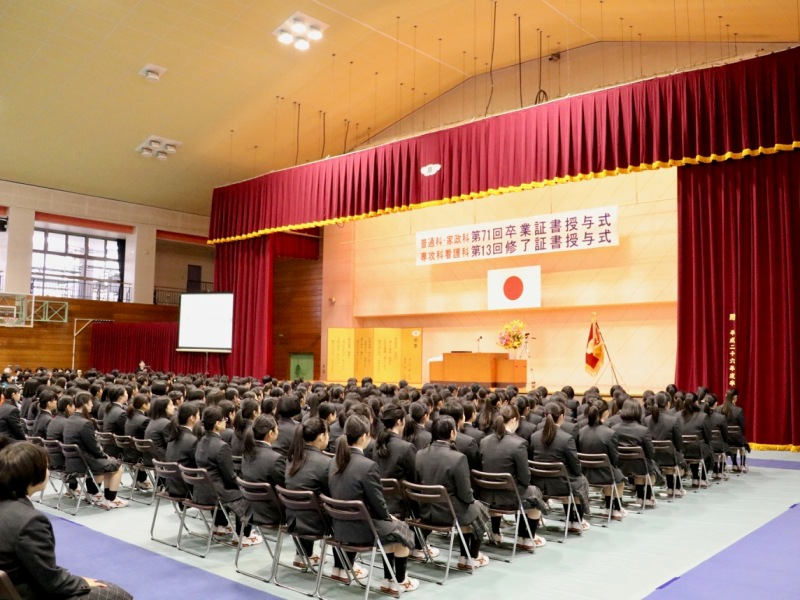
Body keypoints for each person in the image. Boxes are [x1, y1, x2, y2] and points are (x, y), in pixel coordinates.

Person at [0, 440, 133, 600]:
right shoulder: (30, 521)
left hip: (10, 586)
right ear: (34, 473)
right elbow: (54, 583)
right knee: (117, 595)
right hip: (25, 592)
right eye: (47, 467)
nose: (49, 472)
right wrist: (81, 582)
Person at [329, 414, 418, 594]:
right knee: (401, 529)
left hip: (337, 527)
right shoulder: (367, 466)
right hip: (362, 530)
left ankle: (389, 580)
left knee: (390, 527)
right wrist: (389, 517)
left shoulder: (333, 461)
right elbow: (378, 503)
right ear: (364, 436)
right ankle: (399, 580)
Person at [415, 416, 491, 570]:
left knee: (471, 508)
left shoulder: (420, 454)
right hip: (449, 514)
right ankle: (471, 557)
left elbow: (417, 484)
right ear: (452, 433)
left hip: (425, 511)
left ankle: (467, 556)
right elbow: (466, 496)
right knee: (479, 508)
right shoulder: (458, 458)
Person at [482, 405, 548, 548]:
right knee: (534, 493)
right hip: (510, 498)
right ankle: (526, 537)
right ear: (513, 420)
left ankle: (495, 533)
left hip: (487, 497)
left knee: (518, 491)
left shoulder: (484, 441)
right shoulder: (519, 444)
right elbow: (525, 479)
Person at [195, 406, 262, 546]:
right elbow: (230, 477)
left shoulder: (201, 441)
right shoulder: (222, 446)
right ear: (217, 423)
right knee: (248, 494)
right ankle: (243, 536)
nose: (226, 422)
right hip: (217, 494)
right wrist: (242, 486)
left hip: (201, 491)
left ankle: (219, 525)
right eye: (223, 419)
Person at [530, 402, 590, 534]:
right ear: (562, 416)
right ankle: (575, 521)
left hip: (539, 484)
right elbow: (575, 465)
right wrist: (577, 474)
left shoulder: (534, 437)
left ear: (545, 415)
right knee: (581, 481)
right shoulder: (566, 438)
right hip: (562, 485)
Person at [62, 393, 128, 509]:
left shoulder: (69, 420)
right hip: (84, 462)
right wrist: (104, 455)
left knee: (106, 463)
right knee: (117, 465)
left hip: (72, 461)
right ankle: (111, 499)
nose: (92, 404)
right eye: (90, 402)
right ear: (85, 404)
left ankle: (93, 494)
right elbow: (93, 447)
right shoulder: (85, 423)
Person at [285, 417, 331, 571]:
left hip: (291, 519)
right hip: (315, 523)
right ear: (321, 436)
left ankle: (302, 555)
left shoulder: (292, 458)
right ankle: (344, 567)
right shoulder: (326, 462)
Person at [577, 402, 627, 519]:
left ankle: (609, 508)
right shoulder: (610, 433)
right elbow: (615, 459)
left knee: (610, 472)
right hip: (604, 475)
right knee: (619, 478)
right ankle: (615, 509)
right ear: (606, 413)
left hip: (584, 475)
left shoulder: (581, 431)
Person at [612, 400, 659, 506]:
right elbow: (651, 453)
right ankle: (645, 497)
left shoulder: (614, 429)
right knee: (651, 467)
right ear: (638, 412)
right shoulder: (644, 430)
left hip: (619, 466)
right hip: (640, 467)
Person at [645, 392, 685, 497]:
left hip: (652, 457)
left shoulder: (646, 420)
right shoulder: (673, 420)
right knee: (678, 455)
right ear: (668, 404)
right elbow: (679, 442)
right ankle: (673, 488)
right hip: (669, 457)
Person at [719, 388, 750, 472]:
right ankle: (742, 464)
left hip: (723, 439)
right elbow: (742, 427)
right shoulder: (738, 410)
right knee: (740, 440)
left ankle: (734, 464)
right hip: (736, 439)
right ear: (735, 397)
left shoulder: (719, 409)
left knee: (731, 438)